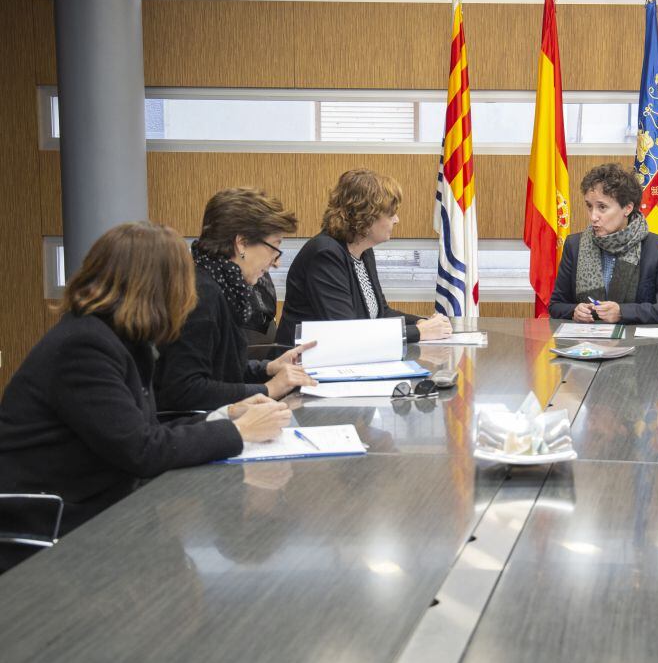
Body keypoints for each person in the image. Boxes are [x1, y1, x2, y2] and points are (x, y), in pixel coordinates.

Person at [0, 223, 293, 535]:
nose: (189, 294)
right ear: (158, 286)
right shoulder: (84, 346)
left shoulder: (121, 339)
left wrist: (225, 415)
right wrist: (237, 431)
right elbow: (141, 451)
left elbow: (143, 433)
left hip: (98, 501)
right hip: (54, 517)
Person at [155, 187, 316, 411]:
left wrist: (269, 368)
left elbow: (220, 369)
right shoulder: (201, 296)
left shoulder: (221, 285)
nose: (276, 262)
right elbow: (185, 389)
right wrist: (269, 389)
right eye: (274, 248)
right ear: (241, 243)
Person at [276, 169, 452, 345]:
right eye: (391, 214)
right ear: (367, 216)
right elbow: (348, 332)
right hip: (301, 364)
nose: (396, 220)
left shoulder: (363, 251)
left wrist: (420, 322)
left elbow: (381, 313)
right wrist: (419, 332)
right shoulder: (325, 254)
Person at [549, 163, 658, 324]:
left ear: (627, 208)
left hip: (636, 346)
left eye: (602, 207)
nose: (593, 216)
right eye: (590, 206)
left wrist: (623, 312)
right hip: (586, 346)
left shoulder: (656, 247)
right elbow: (556, 305)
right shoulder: (574, 245)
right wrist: (574, 311)